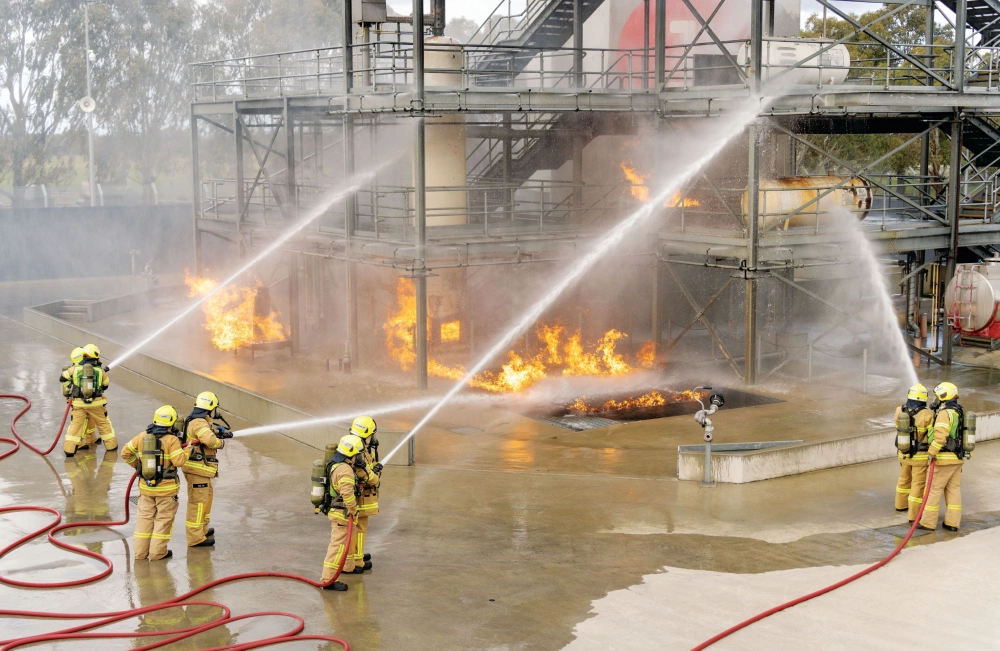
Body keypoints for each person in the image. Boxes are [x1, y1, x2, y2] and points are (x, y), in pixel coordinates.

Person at [121, 405, 189, 560]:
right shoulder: (172, 440)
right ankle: (158, 554)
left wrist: (138, 466)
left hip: (146, 488)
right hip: (167, 491)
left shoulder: (142, 436)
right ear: (171, 422)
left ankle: (140, 554)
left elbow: (125, 453)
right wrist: (188, 450)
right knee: (163, 520)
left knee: (144, 520)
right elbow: (179, 461)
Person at [181, 391, 232, 548]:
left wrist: (217, 431)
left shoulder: (200, 422)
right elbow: (209, 440)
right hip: (197, 469)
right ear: (210, 409)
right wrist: (220, 443)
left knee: (206, 498)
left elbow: (205, 434)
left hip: (201, 469)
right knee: (197, 503)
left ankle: (202, 529)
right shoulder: (199, 422)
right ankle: (195, 538)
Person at [319, 433, 365, 591]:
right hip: (342, 514)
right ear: (351, 455)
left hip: (339, 513)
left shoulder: (337, 465)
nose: (359, 458)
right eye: (358, 455)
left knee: (345, 544)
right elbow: (347, 494)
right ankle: (328, 579)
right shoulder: (345, 470)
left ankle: (348, 567)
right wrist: (353, 509)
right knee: (337, 547)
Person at [918, 382, 966, 532]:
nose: (936, 400)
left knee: (933, 489)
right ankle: (952, 523)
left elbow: (940, 437)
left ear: (943, 397)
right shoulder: (959, 412)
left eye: (937, 397)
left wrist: (931, 453)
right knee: (954, 490)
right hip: (957, 458)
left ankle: (928, 523)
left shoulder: (945, 414)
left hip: (943, 459)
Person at [61, 343, 116, 455]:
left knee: (75, 426)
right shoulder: (100, 371)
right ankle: (111, 446)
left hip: (79, 404)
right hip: (97, 404)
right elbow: (106, 385)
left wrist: (71, 386)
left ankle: (69, 449)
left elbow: (62, 378)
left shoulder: (74, 368)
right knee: (103, 424)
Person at [893, 383, 934, 522]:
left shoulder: (899, 410)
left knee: (903, 479)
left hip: (903, 453)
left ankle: (900, 505)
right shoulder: (927, 415)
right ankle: (914, 515)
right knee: (918, 484)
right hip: (920, 457)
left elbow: (897, 426)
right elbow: (932, 436)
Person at [348, 416, 382, 571]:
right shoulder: (358, 451)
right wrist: (375, 477)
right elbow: (365, 474)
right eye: (371, 435)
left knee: (359, 527)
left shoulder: (359, 447)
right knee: (358, 529)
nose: (373, 438)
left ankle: (358, 555)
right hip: (358, 498)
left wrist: (375, 466)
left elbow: (368, 466)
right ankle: (356, 561)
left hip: (360, 497)